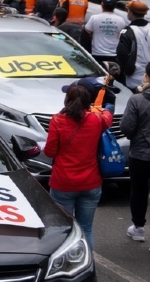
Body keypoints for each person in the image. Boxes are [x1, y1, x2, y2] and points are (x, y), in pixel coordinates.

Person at [43, 80, 114, 249]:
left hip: (63, 183)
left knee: (65, 230)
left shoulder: (57, 121)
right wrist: (105, 103)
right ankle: (87, 266)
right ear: (87, 102)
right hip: (91, 183)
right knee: (86, 229)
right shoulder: (96, 120)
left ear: (67, 100)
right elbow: (108, 115)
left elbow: (50, 152)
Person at [121, 70, 150, 242]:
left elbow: (126, 128)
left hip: (141, 154)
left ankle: (138, 228)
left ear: (146, 76)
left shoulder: (136, 100)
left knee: (139, 191)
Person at [84, 0, 128, 65]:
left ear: (102, 5)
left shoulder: (94, 18)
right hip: (114, 54)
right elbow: (122, 35)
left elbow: (87, 31)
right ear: (115, 6)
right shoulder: (121, 20)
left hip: (97, 53)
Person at [118, 1, 150, 89]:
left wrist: (125, 70)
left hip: (134, 78)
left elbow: (122, 54)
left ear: (131, 12)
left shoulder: (127, 31)